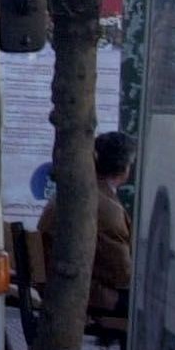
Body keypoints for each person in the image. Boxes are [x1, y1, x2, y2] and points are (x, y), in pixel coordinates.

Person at [37, 129, 136, 314]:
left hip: (55, 283)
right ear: (124, 169)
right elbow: (122, 274)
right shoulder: (107, 209)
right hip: (85, 293)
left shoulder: (73, 191)